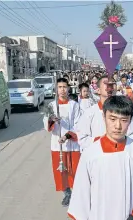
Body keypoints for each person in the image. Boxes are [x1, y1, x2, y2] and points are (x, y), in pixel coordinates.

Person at [68, 95, 133, 220]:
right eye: (112, 119)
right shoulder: (90, 154)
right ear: (104, 117)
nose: (118, 126)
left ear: (131, 121)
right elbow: (81, 194)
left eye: (124, 120)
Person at [43, 77, 81, 207]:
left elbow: (78, 124)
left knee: (74, 169)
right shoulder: (51, 106)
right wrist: (52, 120)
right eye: (60, 87)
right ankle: (67, 193)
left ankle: (77, 194)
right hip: (57, 144)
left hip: (72, 143)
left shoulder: (74, 105)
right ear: (56, 89)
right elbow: (46, 125)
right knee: (61, 171)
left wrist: (67, 136)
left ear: (69, 89)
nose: (62, 90)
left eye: (65, 87)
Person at [75, 75, 133, 152]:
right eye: (106, 83)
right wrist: (103, 141)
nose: (110, 86)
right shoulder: (90, 113)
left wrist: (120, 142)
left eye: (112, 84)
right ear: (98, 90)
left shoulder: (123, 110)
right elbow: (82, 138)